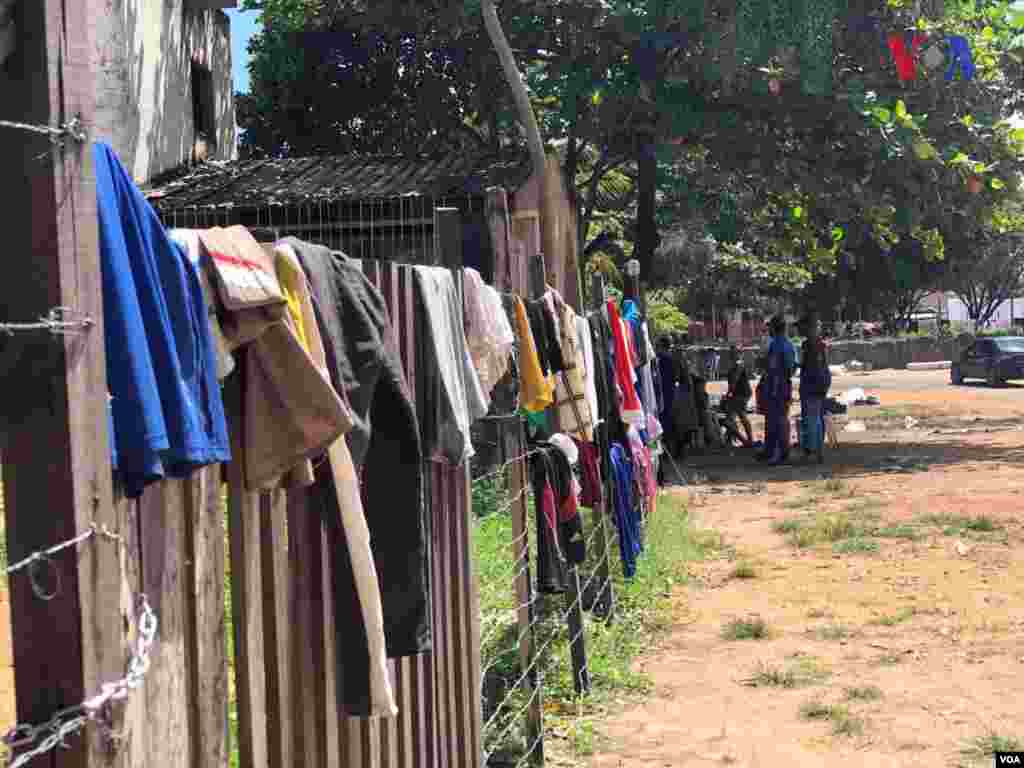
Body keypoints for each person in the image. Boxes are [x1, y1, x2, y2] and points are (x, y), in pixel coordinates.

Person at [757, 315, 796, 466]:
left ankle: (779, 453)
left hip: (777, 386)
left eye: (770, 327)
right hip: (778, 384)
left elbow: (783, 367)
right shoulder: (786, 344)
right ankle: (771, 450)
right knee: (773, 419)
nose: (768, 330)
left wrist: (765, 365)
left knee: (778, 419)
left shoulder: (779, 345)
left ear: (775, 327)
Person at [798, 312, 831, 463]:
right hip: (816, 384)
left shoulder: (812, 345)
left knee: (812, 419)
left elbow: (816, 367)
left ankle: (814, 451)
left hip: (813, 385)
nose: (800, 330)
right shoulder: (817, 344)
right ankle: (816, 451)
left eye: (802, 327)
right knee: (814, 418)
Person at [721, 347, 754, 447]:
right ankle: (734, 439)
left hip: (742, 394)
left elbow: (734, 381)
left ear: (739, 354)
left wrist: (727, 394)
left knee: (737, 417)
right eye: (731, 353)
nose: (732, 355)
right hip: (737, 394)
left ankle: (747, 440)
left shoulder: (739, 364)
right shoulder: (734, 365)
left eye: (734, 353)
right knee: (731, 418)